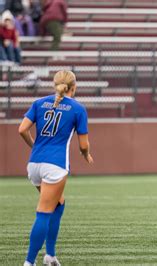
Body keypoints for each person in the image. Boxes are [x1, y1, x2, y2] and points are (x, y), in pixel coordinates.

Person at [19, 70, 94, 266]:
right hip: (55, 165)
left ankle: (50, 256)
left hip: (34, 164)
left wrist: (34, 145)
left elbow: (22, 129)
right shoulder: (77, 108)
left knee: (58, 205)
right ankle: (29, 262)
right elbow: (84, 145)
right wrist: (86, 155)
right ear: (74, 87)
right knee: (44, 212)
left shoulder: (39, 103)